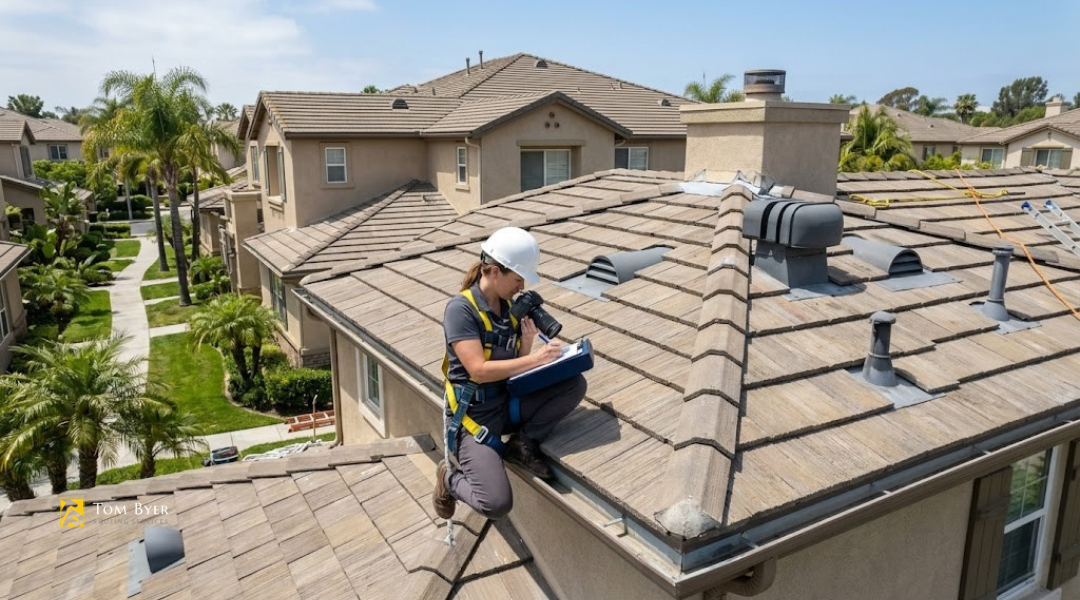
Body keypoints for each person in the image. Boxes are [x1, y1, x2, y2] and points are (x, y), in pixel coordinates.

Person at [433, 227, 586, 521]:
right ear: (493, 272)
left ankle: (521, 443)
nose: (521, 286)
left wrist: (527, 345)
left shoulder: (506, 310)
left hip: (506, 402)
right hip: (474, 419)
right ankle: (449, 478)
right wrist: (536, 360)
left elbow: (510, 367)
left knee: (574, 384)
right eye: (517, 279)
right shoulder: (460, 310)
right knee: (497, 503)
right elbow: (478, 370)